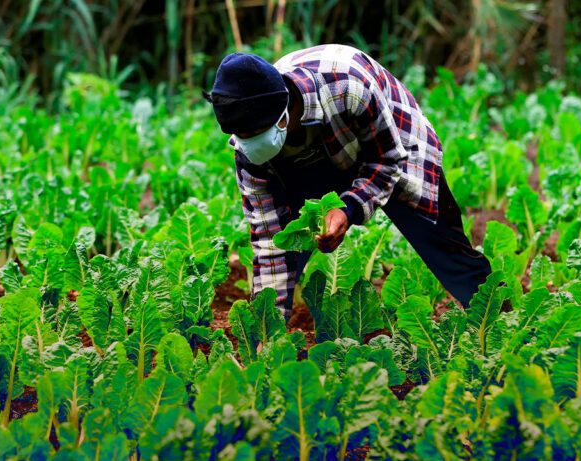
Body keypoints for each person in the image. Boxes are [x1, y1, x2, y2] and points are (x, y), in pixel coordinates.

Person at [205, 44, 491, 320]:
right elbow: (268, 240)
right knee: (287, 241)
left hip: (387, 139)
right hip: (313, 158)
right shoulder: (248, 151)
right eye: (241, 136)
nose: (249, 143)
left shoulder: (349, 87)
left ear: (283, 114)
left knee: (438, 237)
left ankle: (495, 315)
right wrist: (267, 329)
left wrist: (349, 208)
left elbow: (388, 160)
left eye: (257, 133)